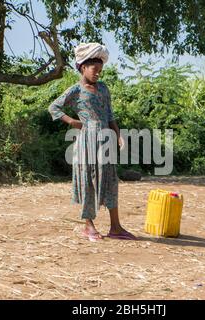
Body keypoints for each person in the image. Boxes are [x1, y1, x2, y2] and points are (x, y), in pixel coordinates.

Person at [48, 42, 137, 242]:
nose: (98, 73)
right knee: (89, 179)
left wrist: (119, 135)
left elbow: (110, 114)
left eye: (100, 70)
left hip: (105, 138)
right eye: (94, 69)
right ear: (82, 67)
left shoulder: (104, 89)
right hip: (87, 140)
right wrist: (72, 121)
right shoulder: (75, 90)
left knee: (111, 180)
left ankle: (116, 227)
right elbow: (54, 107)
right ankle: (88, 226)